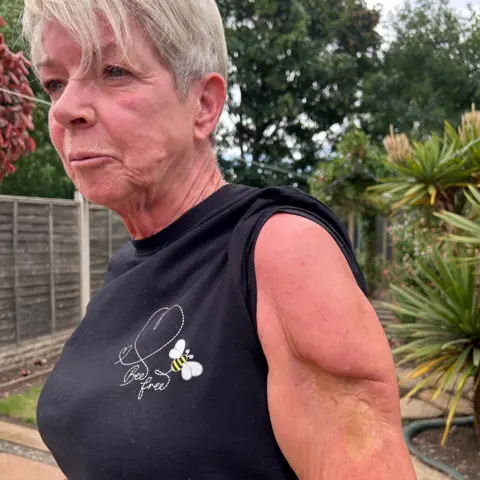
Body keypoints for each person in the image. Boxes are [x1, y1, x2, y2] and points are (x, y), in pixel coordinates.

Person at [22, 1, 416, 478]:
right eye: (55, 83)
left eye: (114, 71)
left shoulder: (280, 250)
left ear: (204, 106)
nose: (64, 109)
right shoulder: (129, 263)